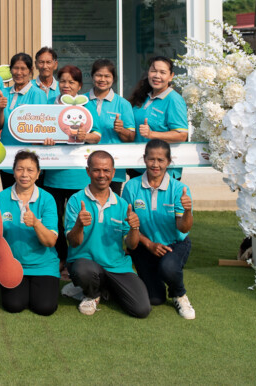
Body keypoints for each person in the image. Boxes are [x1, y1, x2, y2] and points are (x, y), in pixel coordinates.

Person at [64, 150, 150, 318]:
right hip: (85, 264)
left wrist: (134, 228)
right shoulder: (76, 200)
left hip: (116, 266)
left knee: (141, 309)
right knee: (83, 271)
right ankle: (92, 293)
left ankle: (102, 289)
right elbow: (74, 242)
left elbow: (132, 245)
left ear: (113, 172)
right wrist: (79, 225)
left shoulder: (122, 204)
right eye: (96, 170)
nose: (101, 175)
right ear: (88, 171)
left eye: (106, 170)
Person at [121, 140, 195, 319]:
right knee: (155, 298)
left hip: (174, 244)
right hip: (144, 246)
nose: (155, 164)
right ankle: (158, 277)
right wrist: (149, 244)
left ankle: (179, 294)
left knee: (168, 267)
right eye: (151, 159)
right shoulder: (131, 186)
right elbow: (127, 225)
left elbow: (183, 227)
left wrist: (187, 211)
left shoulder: (180, 189)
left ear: (169, 161)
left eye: (161, 160)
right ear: (144, 159)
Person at [0, 151, 60, 316]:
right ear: (13, 172)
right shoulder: (0, 198)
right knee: (14, 305)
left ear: (38, 174)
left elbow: (50, 242)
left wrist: (36, 223)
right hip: (12, 265)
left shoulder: (47, 199)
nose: (24, 174)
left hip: (44, 265)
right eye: (20, 169)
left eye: (30, 170)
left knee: (45, 307)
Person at [42, 65, 90, 271]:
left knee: (79, 219)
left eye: (72, 82)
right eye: (62, 81)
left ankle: (79, 259)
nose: (66, 85)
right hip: (54, 176)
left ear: (79, 85)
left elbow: (97, 135)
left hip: (80, 175)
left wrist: (86, 136)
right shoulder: (48, 105)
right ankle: (61, 258)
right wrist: (43, 140)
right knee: (55, 220)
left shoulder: (85, 107)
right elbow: (37, 133)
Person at [82, 59, 136, 194]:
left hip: (112, 168)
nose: (102, 79)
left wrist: (121, 130)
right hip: (84, 165)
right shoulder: (81, 101)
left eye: (107, 76)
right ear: (92, 76)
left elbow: (131, 137)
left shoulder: (123, 104)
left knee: (111, 204)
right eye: (99, 75)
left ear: (113, 79)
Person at [129, 55, 189, 179]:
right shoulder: (143, 96)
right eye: (153, 71)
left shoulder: (174, 100)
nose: (157, 76)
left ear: (171, 76)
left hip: (163, 171)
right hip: (139, 166)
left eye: (162, 72)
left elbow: (181, 135)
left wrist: (152, 134)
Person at [0, 52, 48, 188]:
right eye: (15, 68)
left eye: (23, 69)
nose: (19, 72)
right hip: (8, 156)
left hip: (29, 160)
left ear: (30, 70)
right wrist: (0, 109)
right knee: (10, 196)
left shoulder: (38, 94)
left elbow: (41, 127)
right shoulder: (3, 93)